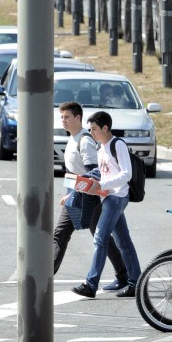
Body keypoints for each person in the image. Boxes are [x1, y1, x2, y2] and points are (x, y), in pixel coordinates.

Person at [53, 101, 129, 292]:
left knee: (64, 234)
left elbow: (93, 173)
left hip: (86, 196)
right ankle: (124, 274)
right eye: (61, 117)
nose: (63, 120)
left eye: (67, 117)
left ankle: (47, 275)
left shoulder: (85, 141)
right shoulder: (72, 138)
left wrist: (74, 193)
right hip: (79, 194)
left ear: (78, 117)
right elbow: (74, 173)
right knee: (101, 237)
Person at [71, 111, 142, 299]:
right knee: (123, 241)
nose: (91, 133)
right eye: (90, 129)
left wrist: (102, 185)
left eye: (94, 129)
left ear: (105, 128)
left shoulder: (117, 144)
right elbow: (104, 172)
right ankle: (136, 282)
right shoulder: (101, 147)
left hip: (117, 197)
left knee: (100, 239)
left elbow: (126, 174)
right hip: (109, 196)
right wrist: (88, 183)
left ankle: (91, 284)